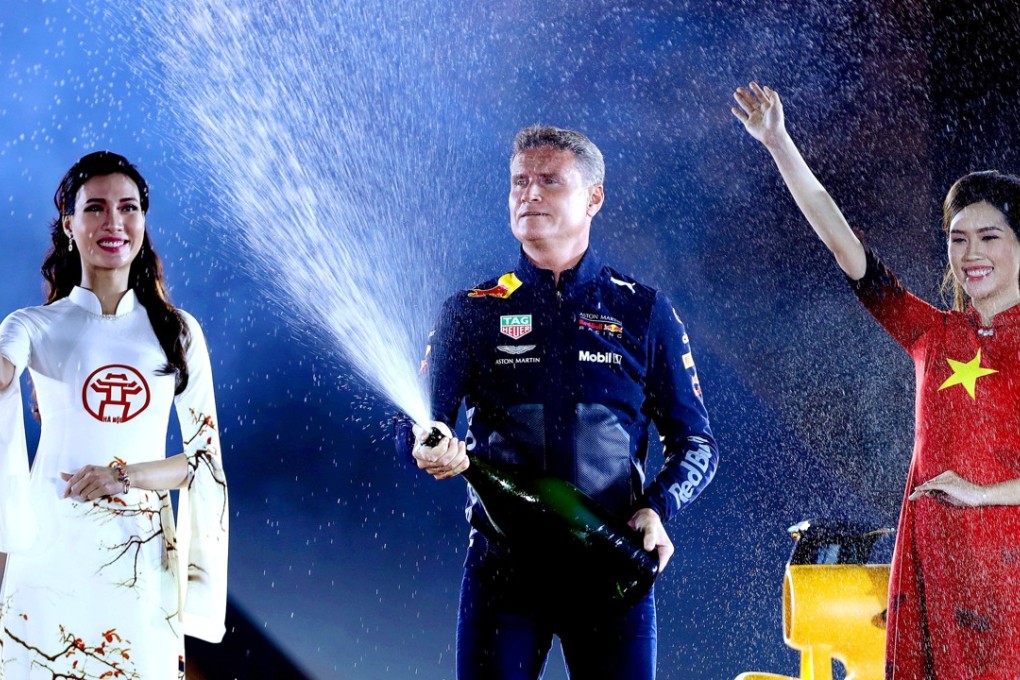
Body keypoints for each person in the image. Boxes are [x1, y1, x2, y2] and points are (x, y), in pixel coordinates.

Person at [404, 125, 718, 679]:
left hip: (610, 567)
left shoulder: (645, 311)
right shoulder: (471, 310)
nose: (530, 193)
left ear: (594, 198)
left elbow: (697, 444)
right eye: (519, 182)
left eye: (550, 181)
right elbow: (412, 424)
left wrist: (657, 508)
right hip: (502, 574)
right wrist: (424, 445)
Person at [734, 82, 1020, 677]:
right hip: (932, 570)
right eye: (958, 238)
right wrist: (780, 143)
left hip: (1007, 574)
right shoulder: (933, 334)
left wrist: (981, 493)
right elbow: (842, 243)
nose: (971, 253)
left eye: (989, 236)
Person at [0, 151, 229, 679]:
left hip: (140, 561)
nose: (114, 223)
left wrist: (122, 476)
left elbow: (203, 460)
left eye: (128, 208)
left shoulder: (178, 332)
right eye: (96, 208)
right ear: (68, 224)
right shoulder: (31, 326)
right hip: (48, 555)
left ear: (144, 222)